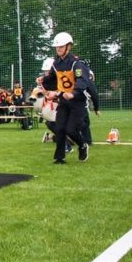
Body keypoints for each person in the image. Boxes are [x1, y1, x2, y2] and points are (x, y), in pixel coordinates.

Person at [38, 32, 91, 164]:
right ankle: (59, 157)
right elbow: (52, 78)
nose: (59, 49)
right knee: (60, 128)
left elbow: (82, 81)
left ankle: (83, 145)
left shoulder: (77, 64)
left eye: (61, 46)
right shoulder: (56, 64)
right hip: (63, 101)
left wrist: (73, 93)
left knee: (71, 130)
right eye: (57, 47)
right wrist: (43, 79)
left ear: (69, 46)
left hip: (77, 103)